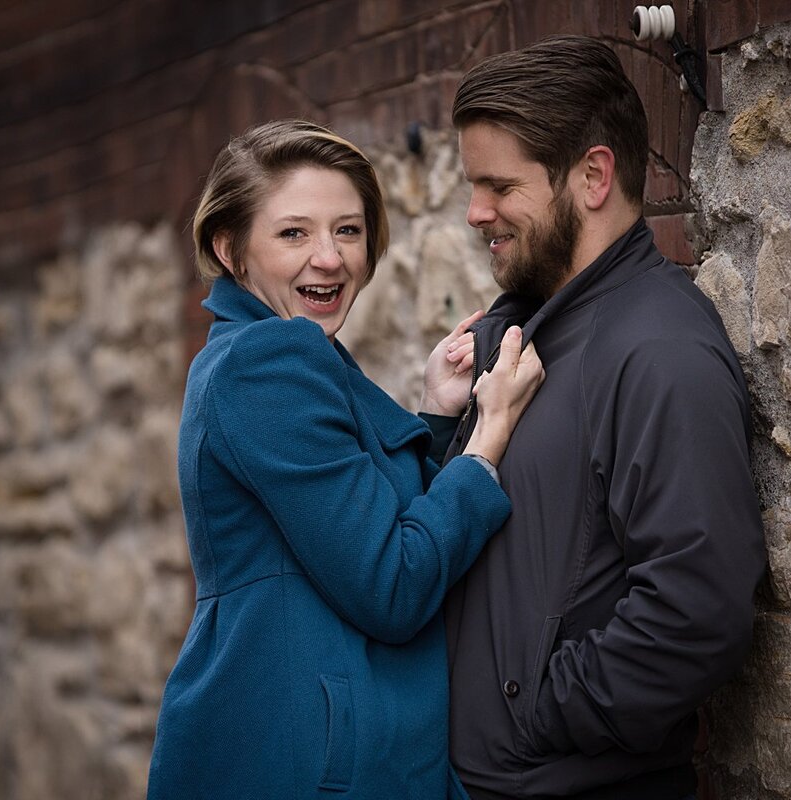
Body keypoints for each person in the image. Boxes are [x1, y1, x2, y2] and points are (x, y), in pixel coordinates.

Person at [147, 119, 544, 800]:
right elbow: (393, 583)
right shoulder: (268, 362)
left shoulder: (282, 354)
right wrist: (487, 440)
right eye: (293, 233)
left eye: (349, 231)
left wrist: (436, 413)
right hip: (304, 760)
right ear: (230, 248)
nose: (328, 259)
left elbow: (366, 526)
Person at [440, 35, 767, 800]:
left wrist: (539, 716)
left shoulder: (660, 350)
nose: (473, 212)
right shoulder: (527, 332)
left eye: (497, 187)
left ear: (592, 175)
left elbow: (696, 610)